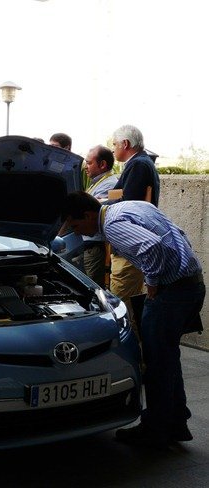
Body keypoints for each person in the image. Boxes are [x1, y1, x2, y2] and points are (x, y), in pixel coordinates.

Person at [62, 191, 205, 448]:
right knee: (168, 359)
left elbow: (152, 246)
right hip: (191, 285)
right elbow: (178, 233)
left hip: (171, 293)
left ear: (88, 215)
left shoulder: (112, 225)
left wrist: (152, 282)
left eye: (76, 226)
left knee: (157, 363)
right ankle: (175, 423)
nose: (79, 233)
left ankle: (155, 430)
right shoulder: (131, 206)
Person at [108, 125, 160, 309]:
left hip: (128, 246)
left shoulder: (138, 164)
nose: (113, 149)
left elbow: (128, 203)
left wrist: (101, 203)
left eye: (114, 144)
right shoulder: (142, 162)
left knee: (120, 302)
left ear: (125, 143)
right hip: (132, 246)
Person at [81, 145, 118, 286]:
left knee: (92, 286)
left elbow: (89, 210)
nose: (85, 167)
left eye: (89, 163)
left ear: (102, 164)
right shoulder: (98, 182)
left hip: (95, 245)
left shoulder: (109, 184)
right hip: (91, 243)